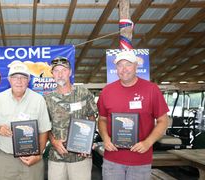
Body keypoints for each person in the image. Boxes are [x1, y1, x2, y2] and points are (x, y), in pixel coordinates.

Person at [97, 50, 169, 180]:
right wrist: (105, 138)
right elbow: (102, 119)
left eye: (128, 64)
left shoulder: (152, 89)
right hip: (112, 160)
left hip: (140, 160)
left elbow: (163, 121)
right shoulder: (107, 91)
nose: (124, 69)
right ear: (116, 68)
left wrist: (148, 142)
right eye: (120, 65)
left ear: (136, 66)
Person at [0, 60, 51, 180]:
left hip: (32, 158)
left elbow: (44, 130)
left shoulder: (38, 100)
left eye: (23, 77)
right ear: (9, 79)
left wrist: (39, 154)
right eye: (15, 77)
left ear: (28, 80)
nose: (19, 81)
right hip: (5, 158)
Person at [44, 57, 98, 180]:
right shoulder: (47, 99)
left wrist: (88, 143)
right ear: (52, 74)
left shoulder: (83, 93)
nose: (60, 74)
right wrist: (53, 141)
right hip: (57, 156)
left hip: (81, 156)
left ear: (70, 72)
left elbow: (91, 118)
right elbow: (45, 126)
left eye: (63, 70)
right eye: (56, 71)